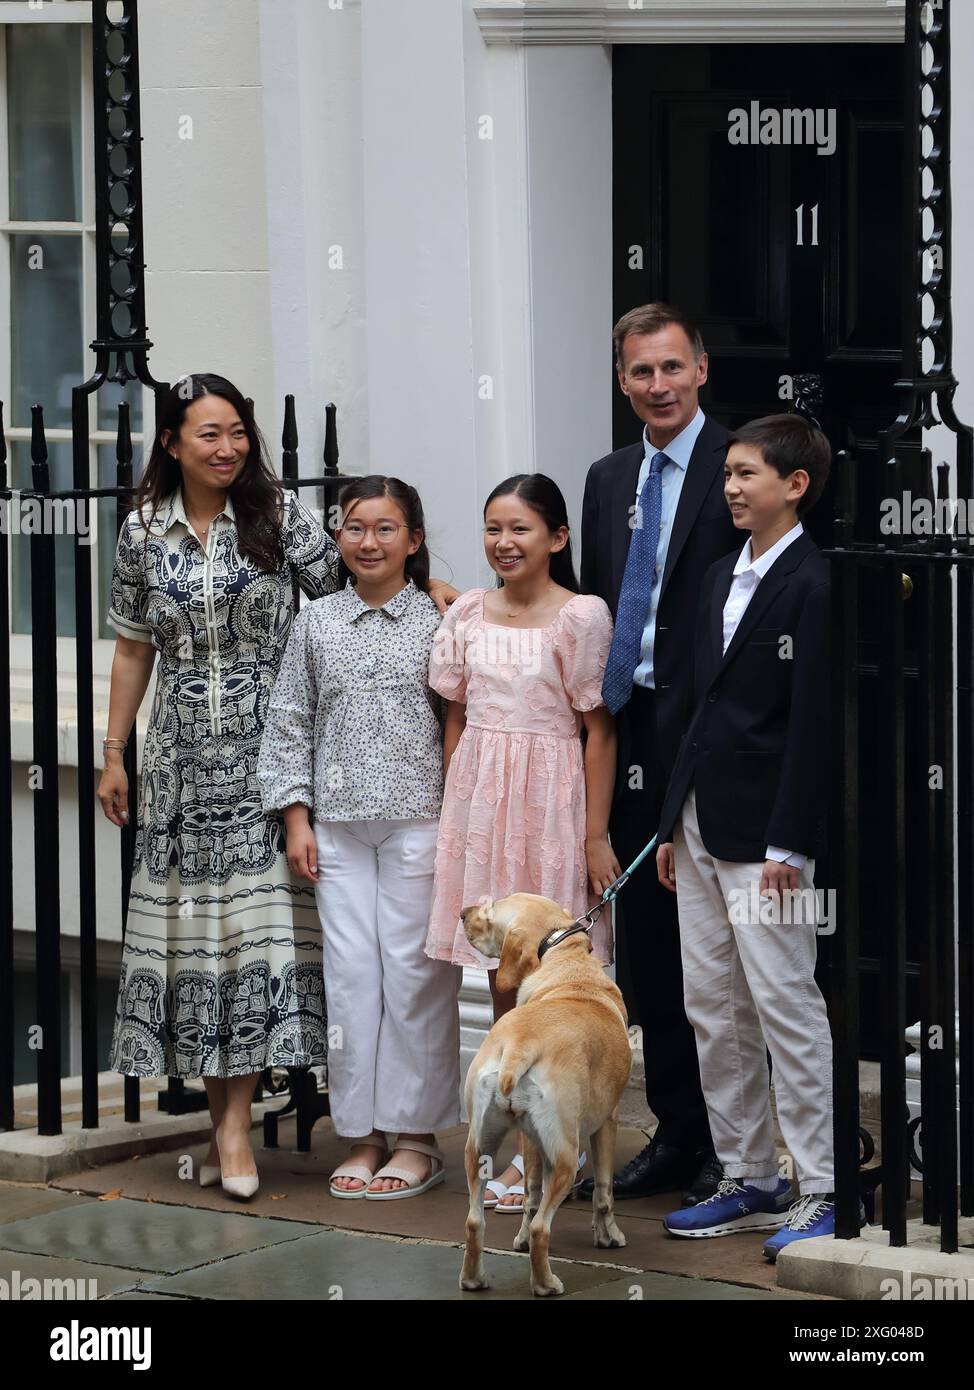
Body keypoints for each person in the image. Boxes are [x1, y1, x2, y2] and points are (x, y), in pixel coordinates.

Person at [98, 379, 456, 1202]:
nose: (227, 448)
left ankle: (373, 1129)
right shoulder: (142, 531)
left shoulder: (281, 514)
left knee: (273, 949)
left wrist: (440, 592)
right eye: (208, 434)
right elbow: (130, 648)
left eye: (238, 433)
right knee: (201, 947)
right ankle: (227, 1128)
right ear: (171, 443)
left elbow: (363, 575)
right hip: (182, 765)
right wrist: (114, 751)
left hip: (278, 761)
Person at [654, 413, 853, 1258]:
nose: (731, 487)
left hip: (768, 841)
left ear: (795, 484)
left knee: (784, 1002)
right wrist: (669, 821)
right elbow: (693, 710)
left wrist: (790, 846)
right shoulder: (711, 577)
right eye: (728, 473)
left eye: (746, 474)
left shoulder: (816, 581)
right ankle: (753, 1177)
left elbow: (815, 724)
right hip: (698, 825)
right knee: (714, 1006)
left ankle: (825, 1185)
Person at [257, 476, 462, 1200]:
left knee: (415, 977)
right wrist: (295, 817)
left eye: (385, 528)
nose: (367, 542)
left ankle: (417, 1137)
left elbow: (461, 719)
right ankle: (364, 1134)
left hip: (419, 820)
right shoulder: (316, 622)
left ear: (413, 538)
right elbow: (289, 720)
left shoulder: (442, 619)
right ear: (336, 537)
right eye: (353, 527)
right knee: (349, 981)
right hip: (337, 829)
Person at [579, 304, 739, 1205]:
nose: (658, 386)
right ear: (623, 381)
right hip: (629, 728)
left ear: (702, 369)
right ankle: (678, 1132)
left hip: (711, 733)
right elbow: (598, 599)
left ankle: (736, 1144)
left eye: (672, 368)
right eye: (641, 372)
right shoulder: (608, 478)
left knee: (721, 954)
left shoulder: (739, 464)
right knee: (648, 943)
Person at [425, 473, 617, 1213]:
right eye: (493, 528)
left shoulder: (581, 617)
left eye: (521, 529)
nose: (505, 543)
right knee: (494, 979)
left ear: (557, 538)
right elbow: (455, 715)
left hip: (552, 798)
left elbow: (599, 728)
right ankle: (496, 1140)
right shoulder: (467, 612)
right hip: (480, 798)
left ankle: (541, 1157)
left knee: (550, 976)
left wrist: (595, 833)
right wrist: (458, 803)